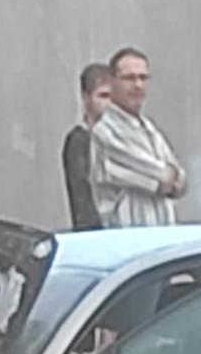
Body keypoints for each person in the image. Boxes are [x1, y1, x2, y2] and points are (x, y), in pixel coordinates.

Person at [89, 47, 187, 228]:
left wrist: (171, 177)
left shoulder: (149, 128)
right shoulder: (105, 132)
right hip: (130, 244)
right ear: (111, 82)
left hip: (162, 240)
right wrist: (166, 175)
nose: (138, 85)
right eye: (129, 78)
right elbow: (160, 176)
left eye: (143, 77)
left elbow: (180, 181)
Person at [61, 64, 113, 230]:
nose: (110, 104)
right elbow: (82, 197)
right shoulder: (79, 140)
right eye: (103, 96)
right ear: (86, 97)